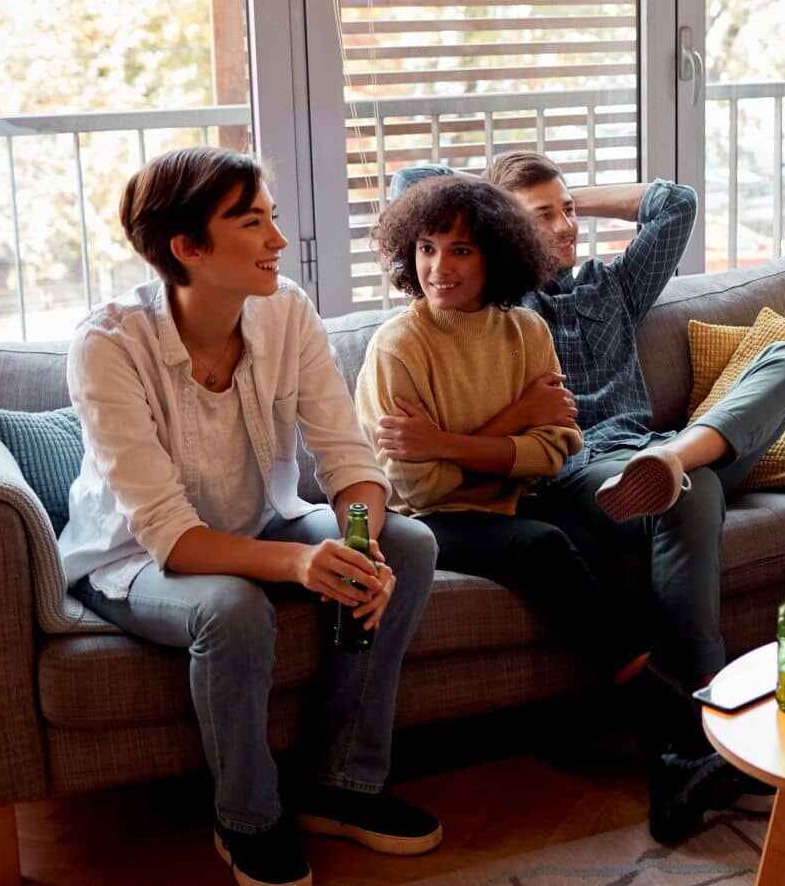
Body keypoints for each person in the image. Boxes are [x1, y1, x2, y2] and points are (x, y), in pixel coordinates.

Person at [57, 148, 441, 886]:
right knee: (233, 609)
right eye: (252, 223)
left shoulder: (285, 309)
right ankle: (248, 819)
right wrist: (301, 563)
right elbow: (169, 533)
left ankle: (341, 785)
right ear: (188, 248)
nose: (278, 240)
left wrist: (359, 547)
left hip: (261, 520)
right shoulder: (108, 345)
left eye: (273, 217)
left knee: (408, 543)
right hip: (135, 558)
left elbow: (346, 457)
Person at [353, 172, 731, 844]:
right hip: (427, 521)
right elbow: (421, 483)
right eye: (427, 249)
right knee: (544, 547)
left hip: (510, 500)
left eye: (461, 250)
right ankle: (682, 737)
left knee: (608, 538)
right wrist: (511, 427)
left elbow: (557, 448)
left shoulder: (525, 330)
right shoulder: (399, 346)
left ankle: (668, 759)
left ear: (496, 254)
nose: (439, 268)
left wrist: (454, 442)